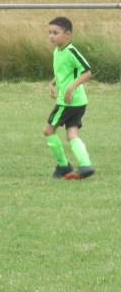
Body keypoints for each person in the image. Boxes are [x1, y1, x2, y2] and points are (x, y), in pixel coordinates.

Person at [45, 16, 95, 180]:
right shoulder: (57, 52)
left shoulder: (72, 51)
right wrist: (53, 82)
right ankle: (86, 165)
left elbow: (87, 72)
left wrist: (70, 88)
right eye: (49, 33)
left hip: (68, 102)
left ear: (68, 35)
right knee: (71, 134)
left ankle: (63, 166)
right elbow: (63, 72)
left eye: (55, 33)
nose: (51, 36)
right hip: (78, 102)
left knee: (48, 131)